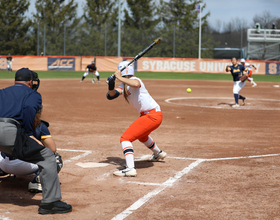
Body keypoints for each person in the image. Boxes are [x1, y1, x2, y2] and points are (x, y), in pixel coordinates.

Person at [0, 68, 71, 215]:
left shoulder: (2, 92)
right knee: (47, 157)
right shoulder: (33, 94)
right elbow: (29, 108)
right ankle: (50, 203)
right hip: (10, 131)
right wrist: (29, 133)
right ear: (31, 82)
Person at [106, 61, 167, 177]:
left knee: (125, 138)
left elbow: (135, 84)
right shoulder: (123, 86)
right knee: (142, 136)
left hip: (152, 115)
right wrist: (111, 84)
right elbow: (111, 95)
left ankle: (130, 169)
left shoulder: (136, 80)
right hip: (151, 115)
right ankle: (158, 153)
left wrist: (118, 77)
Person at [0, 118, 63, 193]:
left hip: (3, 164)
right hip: (23, 167)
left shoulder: (9, 124)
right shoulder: (40, 125)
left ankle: (1, 171)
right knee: (56, 157)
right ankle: (38, 182)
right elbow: (52, 149)